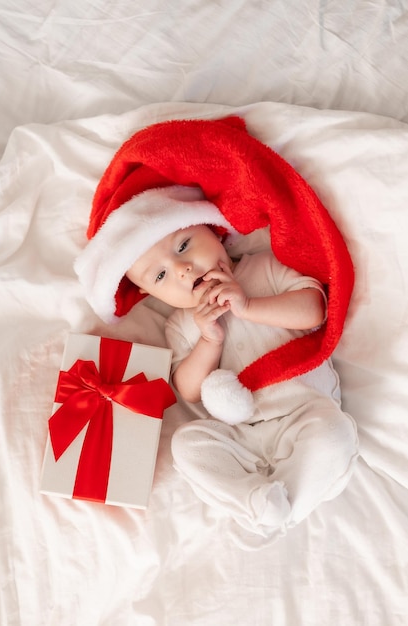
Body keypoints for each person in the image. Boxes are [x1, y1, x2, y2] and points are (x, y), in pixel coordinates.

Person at [76, 184, 359, 548]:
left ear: (210, 227)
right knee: (188, 444)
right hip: (241, 436)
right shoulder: (181, 324)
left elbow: (315, 311)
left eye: (183, 245)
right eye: (160, 277)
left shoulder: (265, 269)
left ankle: (281, 511)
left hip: (303, 411)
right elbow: (189, 389)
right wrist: (209, 341)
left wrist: (248, 307)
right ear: (152, 295)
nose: (182, 269)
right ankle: (252, 498)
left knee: (334, 434)